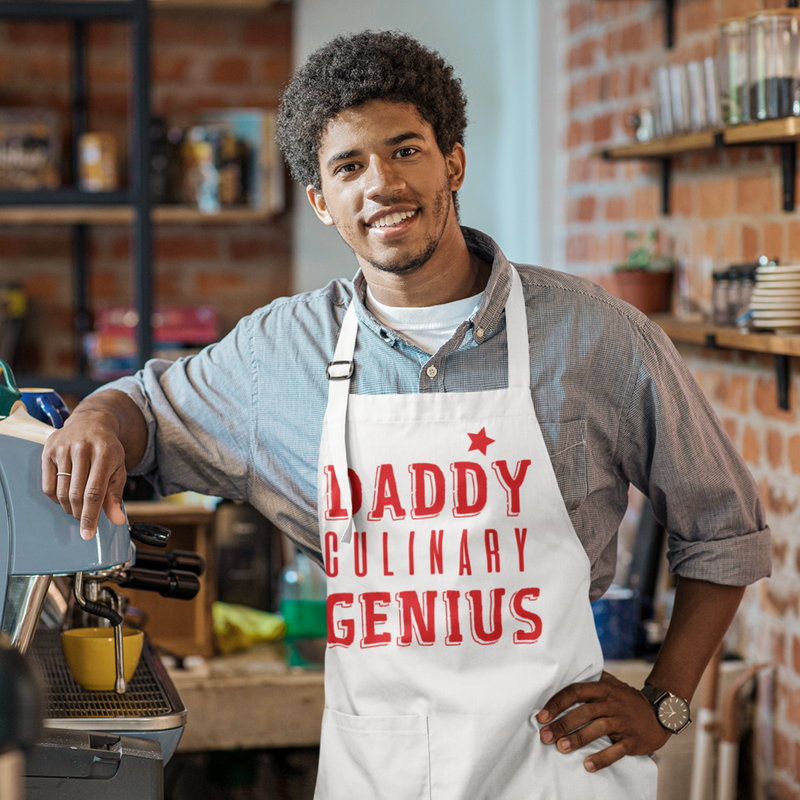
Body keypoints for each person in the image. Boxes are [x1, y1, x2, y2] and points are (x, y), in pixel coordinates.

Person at [43, 30, 770, 799]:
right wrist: (96, 418)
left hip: (557, 771)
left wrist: (666, 701)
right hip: (379, 771)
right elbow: (144, 410)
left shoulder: (596, 334)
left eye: (406, 151)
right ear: (322, 202)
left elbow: (724, 529)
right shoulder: (282, 351)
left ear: (452, 161)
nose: (381, 184)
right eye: (349, 166)